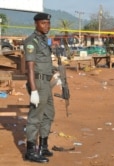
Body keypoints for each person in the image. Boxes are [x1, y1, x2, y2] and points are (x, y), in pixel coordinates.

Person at [24, 13, 61, 163]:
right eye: (43, 23)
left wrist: (55, 75)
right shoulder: (31, 42)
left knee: (49, 113)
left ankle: (43, 146)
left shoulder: (43, 41)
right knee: (35, 116)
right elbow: (30, 68)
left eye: (48, 23)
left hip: (46, 82)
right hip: (37, 83)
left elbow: (45, 63)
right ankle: (30, 151)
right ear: (36, 24)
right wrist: (33, 90)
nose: (47, 26)